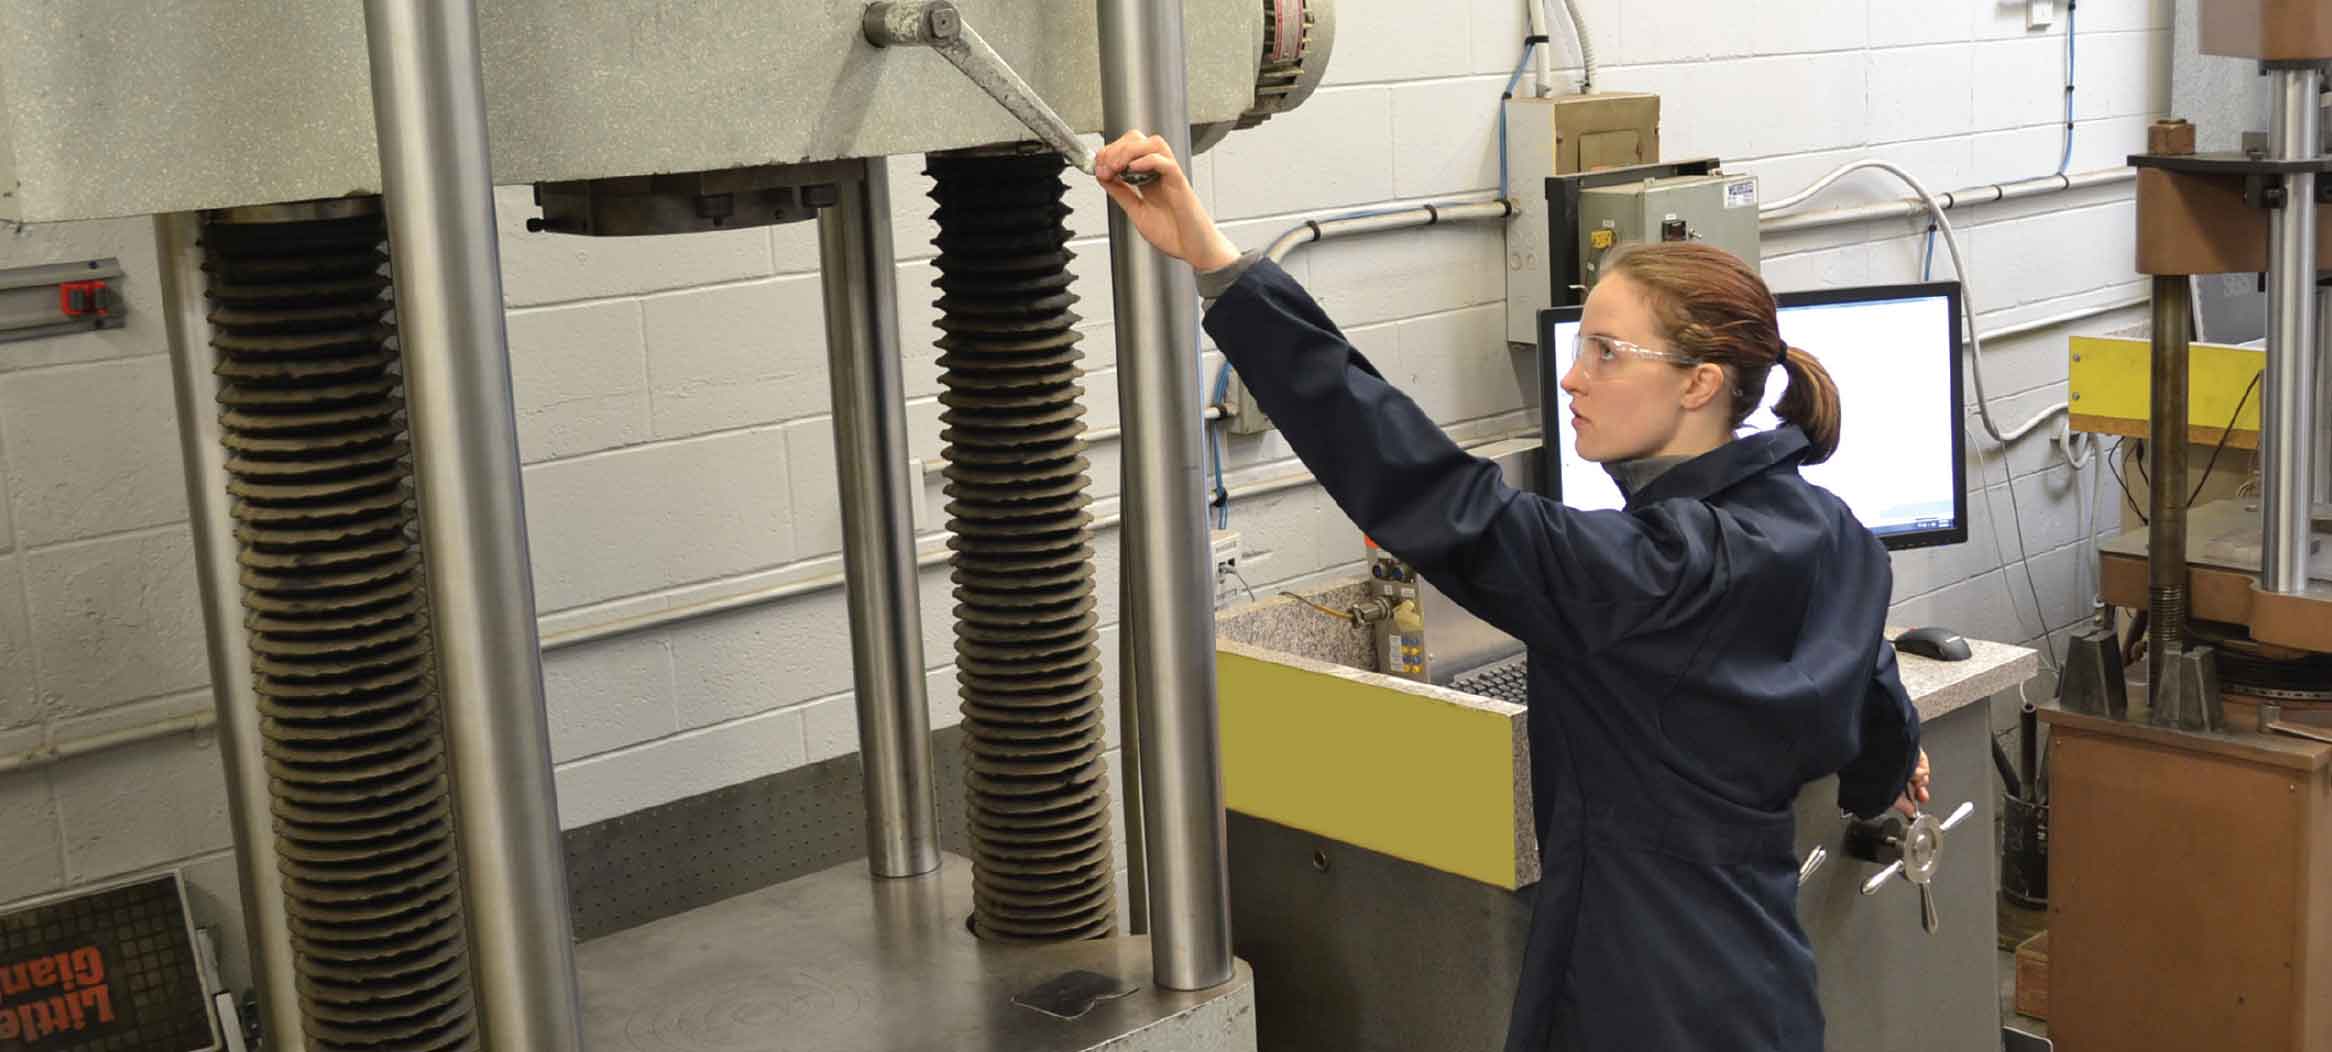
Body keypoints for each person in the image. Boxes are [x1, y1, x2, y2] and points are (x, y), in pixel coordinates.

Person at [1093, 131, 1932, 1052]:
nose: (1572, 376)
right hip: (1762, 987)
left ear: (1700, 382)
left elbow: (1431, 492)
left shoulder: (1644, 575)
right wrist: (1882, 780)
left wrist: (1218, 267)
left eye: (1607, 352)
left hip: (1634, 991)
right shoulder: (1838, 535)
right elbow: (1876, 697)